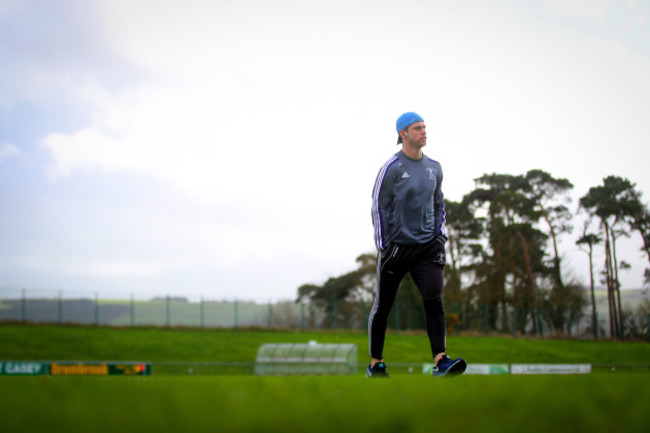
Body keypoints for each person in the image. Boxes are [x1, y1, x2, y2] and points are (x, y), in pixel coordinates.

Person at [367, 111, 466, 378]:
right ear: (403, 134)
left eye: (424, 127)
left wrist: (439, 236)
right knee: (383, 306)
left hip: (427, 248)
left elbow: (438, 204)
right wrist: (383, 244)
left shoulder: (435, 167)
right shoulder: (392, 168)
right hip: (396, 249)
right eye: (417, 128)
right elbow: (379, 205)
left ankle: (440, 361)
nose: (424, 132)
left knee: (434, 300)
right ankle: (376, 364)